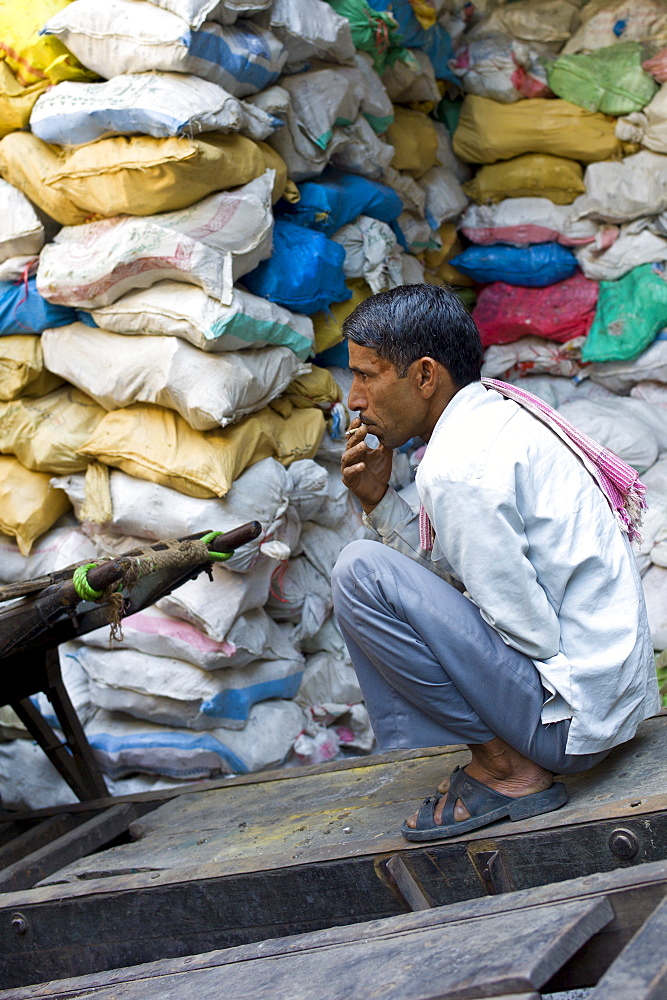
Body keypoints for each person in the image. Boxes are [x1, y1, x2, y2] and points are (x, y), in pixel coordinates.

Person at [331, 283, 660, 842]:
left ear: (425, 376)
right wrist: (379, 503)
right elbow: (464, 581)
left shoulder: (461, 465)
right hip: (605, 711)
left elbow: (525, 632)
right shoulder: (493, 414)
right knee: (381, 572)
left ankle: (508, 770)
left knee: (360, 573)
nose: (355, 398)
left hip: (573, 727)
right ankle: (509, 754)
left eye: (367, 374)